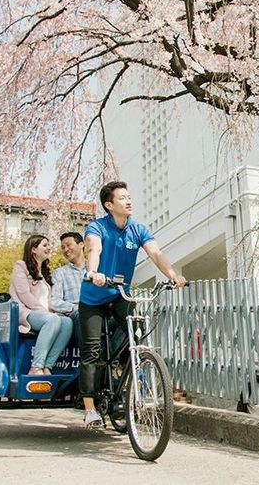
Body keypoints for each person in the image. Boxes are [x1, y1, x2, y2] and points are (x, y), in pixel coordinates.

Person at [79, 181, 187, 429]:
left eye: (129, 197)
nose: (129, 201)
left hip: (120, 295)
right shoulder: (97, 226)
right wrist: (93, 271)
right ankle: (90, 410)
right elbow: (93, 248)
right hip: (93, 297)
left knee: (136, 336)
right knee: (92, 351)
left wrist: (172, 275)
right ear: (109, 205)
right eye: (122, 198)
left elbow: (156, 254)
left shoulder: (138, 230)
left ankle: (126, 386)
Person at [8, 235, 73, 376]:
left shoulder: (44, 272)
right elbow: (24, 294)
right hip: (26, 312)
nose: (49, 248)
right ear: (33, 249)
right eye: (45, 245)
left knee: (67, 322)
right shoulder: (21, 266)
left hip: (44, 315)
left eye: (49, 245)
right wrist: (45, 312)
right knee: (53, 319)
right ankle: (35, 367)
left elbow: (49, 300)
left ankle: (47, 366)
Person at [50, 231, 86, 347]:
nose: (65, 250)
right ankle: (90, 359)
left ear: (81, 244)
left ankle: (115, 361)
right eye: (63, 247)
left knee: (129, 315)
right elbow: (54, 301)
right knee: (80, 314)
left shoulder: (96, 269)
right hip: (76, 313)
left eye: (69, 245)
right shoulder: (60, 273)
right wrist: (73, 307)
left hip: (98, 312)